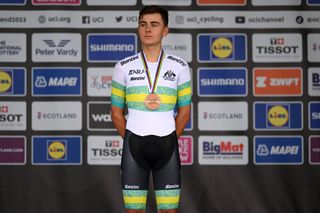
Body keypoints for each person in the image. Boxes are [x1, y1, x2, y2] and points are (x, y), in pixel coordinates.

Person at [111, 5, 192, 213]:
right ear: (138, 29)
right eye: (143, 24)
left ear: (165, 31)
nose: (148, 29)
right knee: (134, 211)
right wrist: (130, 138)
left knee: (168, 211)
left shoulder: (180, 66)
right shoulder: (123, 66)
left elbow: (184, 112)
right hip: (133, 146)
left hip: (168, 146)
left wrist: (171, 139)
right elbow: (116, 112)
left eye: (154, 25)